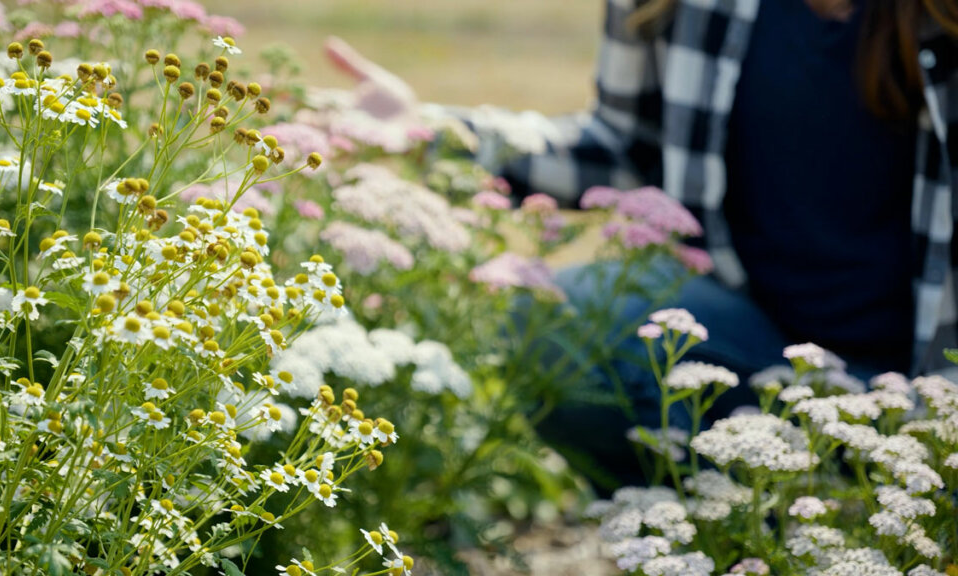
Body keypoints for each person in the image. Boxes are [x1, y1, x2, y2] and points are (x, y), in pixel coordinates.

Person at [325, 0, 958, 489]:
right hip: (751, 348)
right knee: (551, 320)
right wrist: (438, 135)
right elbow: (622, 147)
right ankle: (713, 533)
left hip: (934, 381)